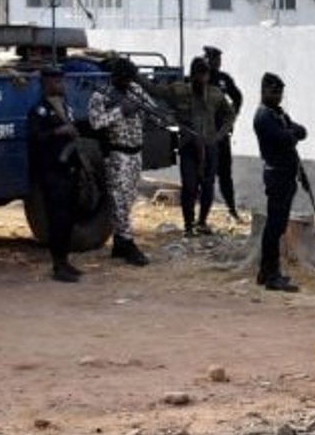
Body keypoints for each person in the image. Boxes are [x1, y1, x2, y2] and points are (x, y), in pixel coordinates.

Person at [144, 57, 232, 235]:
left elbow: (229, 115)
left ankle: (202, 222)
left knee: (208, 186)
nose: (202, 79)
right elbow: (155, 91)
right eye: (198, 75)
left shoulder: (215, 94)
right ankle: (189, 225)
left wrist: (219, 135)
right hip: (188, 146)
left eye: (205, 75)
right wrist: (135, 76)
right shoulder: (179, 91)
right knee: (189, 186)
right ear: (192, 75)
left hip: (209, 147)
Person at [87, 58, 151, 265]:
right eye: (125, 79)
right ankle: (128, 244)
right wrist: (119, 111)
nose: (129, 82)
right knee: (119, 202)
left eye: (131, 79)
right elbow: (96, 122)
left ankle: (119, 243)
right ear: (116, 77)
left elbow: (150, 107)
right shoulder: (100, 96)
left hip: (135, 153)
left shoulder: (134, 89)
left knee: (129, 199)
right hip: (118, 155)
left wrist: (140, 107)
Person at [26, 66, 83, 283]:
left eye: (62, 81)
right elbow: (34, 138)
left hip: (69, 169)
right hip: (52, 171)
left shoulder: (65, 107)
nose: (61, 85)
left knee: (69, 218)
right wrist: (58, 132)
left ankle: (65, 260)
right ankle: (57, 265)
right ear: (46, 84)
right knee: (57, 219)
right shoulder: (40, 110)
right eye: (56, 82)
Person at [253, 72, 307, 292]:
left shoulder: (278, 114)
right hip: (277, 176)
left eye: (280, 93)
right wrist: (290, 133)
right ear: (264, 91)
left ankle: (267, 272)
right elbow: (286, 139)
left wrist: (290, 132)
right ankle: (270, 275)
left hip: (286, 175)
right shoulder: (264, 116)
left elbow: (302, 132)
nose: (278, 96)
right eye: (273, 92)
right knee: (274, 227)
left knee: (278, 226)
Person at [203, 46, 244, 221]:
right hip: (203, 135)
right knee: (206, 175)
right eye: (214, 59)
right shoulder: (198, 78)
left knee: (225, 174)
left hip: (221, 134)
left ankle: (232, 209)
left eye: (218, 59)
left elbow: (237, 97)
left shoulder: (223, 79)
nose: (217, 63)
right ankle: (202, 217)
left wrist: (231, 117)